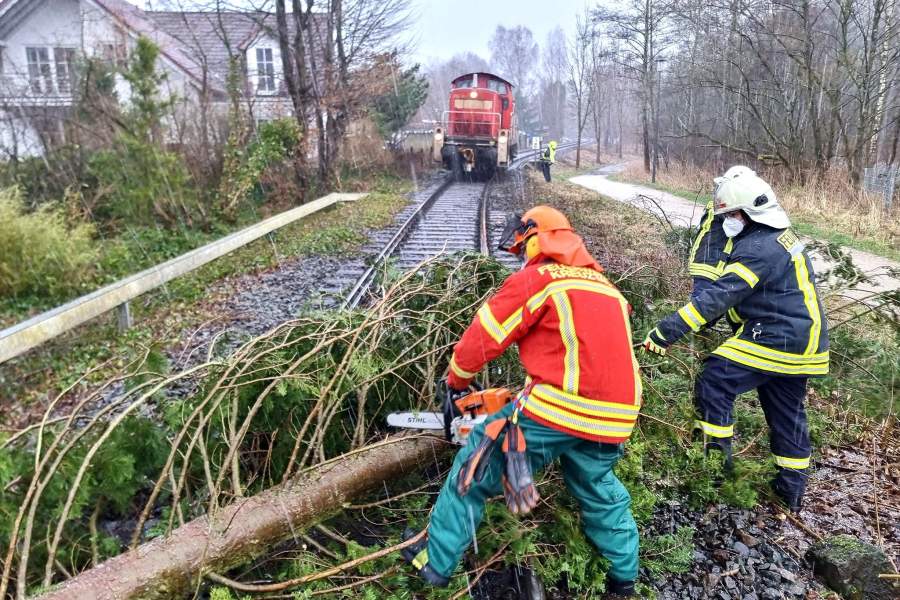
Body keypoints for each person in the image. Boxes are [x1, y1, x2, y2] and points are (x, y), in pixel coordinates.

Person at [402, 206, 642, 599]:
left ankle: (435, 561)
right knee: (598, 488)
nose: (520, 258)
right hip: (616, 416)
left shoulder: (539, 279)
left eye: (522, 249)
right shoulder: (608, 289)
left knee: (475, 464)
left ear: (535, 239)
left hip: (561, 407)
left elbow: (485, 335)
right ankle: (623, 579)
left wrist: (456, 382)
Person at [642, 167, 829, 513]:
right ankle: (790, 493)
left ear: (748, 213)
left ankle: (713, 471)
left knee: (715, 379)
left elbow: (718, 298)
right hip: (805, 343)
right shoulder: (778, 236)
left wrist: (666, 332)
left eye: (730, 215)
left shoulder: (758, 249)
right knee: (786, 413)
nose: (727, 221)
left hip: (776, 336)